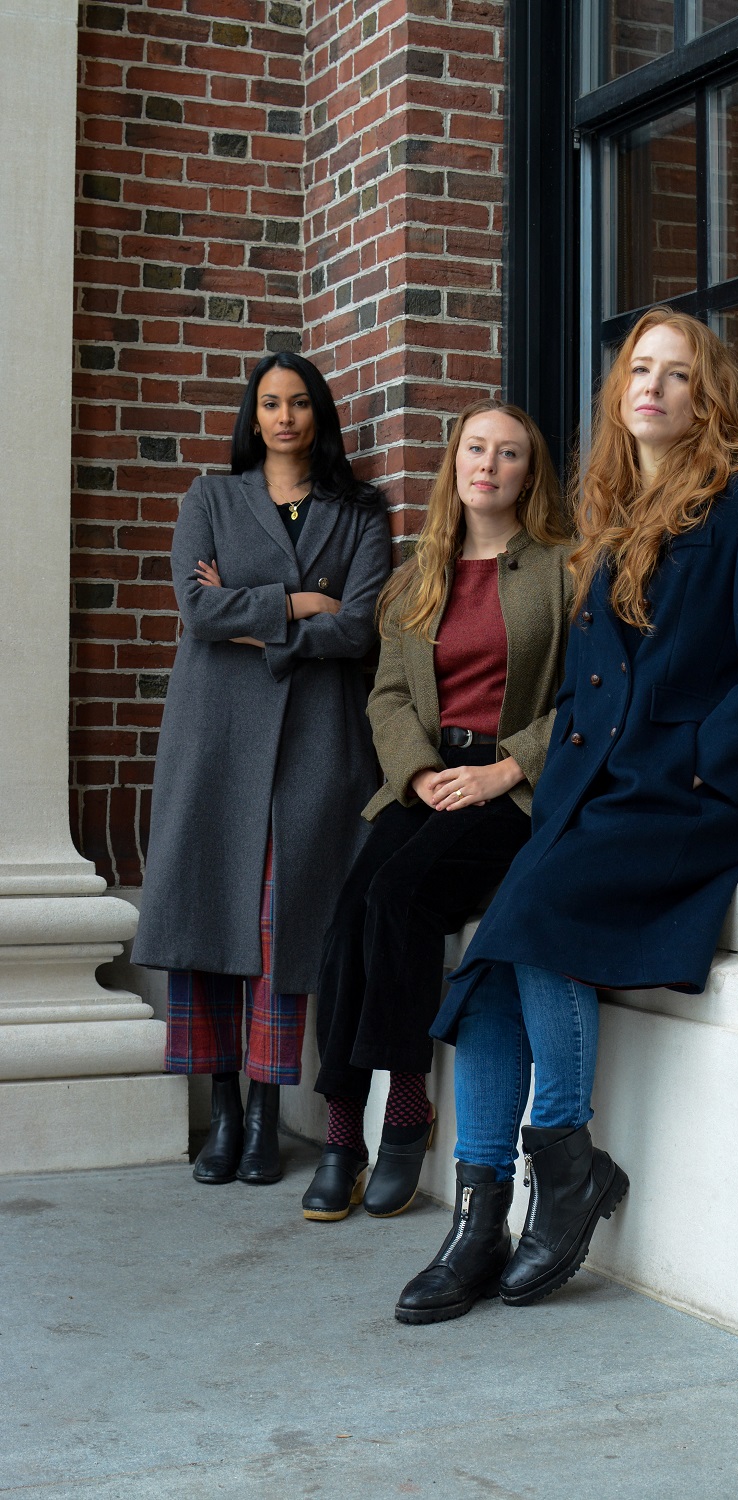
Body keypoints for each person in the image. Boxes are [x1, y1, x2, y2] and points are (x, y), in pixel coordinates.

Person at [395, 309, 738, 1323]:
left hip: (692, 803)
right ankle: (480, 1210)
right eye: (638, 371)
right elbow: (585, 690)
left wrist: (708, 771)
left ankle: (565, 1169)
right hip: (600, 798)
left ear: (704, 397)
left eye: (675, 374)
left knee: (526, 929)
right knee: (489, 963)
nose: (652, 389)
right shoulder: (614, 520)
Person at [300, 400, 573, 1226]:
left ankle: (406, 1109)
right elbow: (386, 694)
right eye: (476, 450)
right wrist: (416, 770)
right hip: (425, 777)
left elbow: (581, 700)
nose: (489, 465)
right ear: (455, 464)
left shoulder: (565, 570)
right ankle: (343, 1131)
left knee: (401, 894)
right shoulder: (418, 574)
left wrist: (505, 770)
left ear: (531, 473)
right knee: (347, 914)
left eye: (511, 454)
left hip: (506, 789)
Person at [132, 352, 391, 1187]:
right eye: (269, 403)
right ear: (253, 416)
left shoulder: (359, 511)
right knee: (210, 916)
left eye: (299, 403)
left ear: (320, 414)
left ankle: (268, 1117)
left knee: (284, 925)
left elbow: (358, 630)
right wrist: (296, 603)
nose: (284, 417)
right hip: (214, 738)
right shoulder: (211, 497)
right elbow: (198, 611)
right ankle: (225, 1115)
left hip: (316, 740)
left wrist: (260, 618)